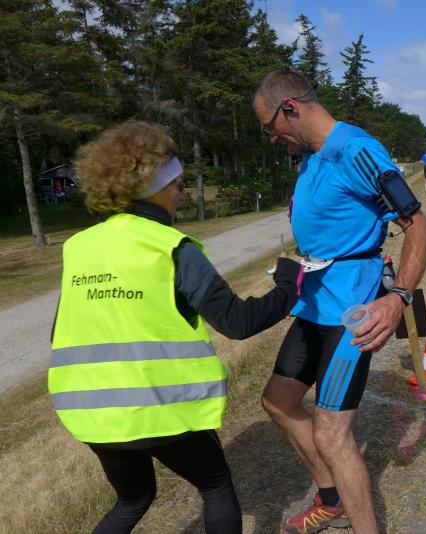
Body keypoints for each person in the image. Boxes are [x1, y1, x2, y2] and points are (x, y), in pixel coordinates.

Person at [48, 121, 303, 533]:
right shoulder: (169, 246)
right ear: (155, 188)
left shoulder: (79, 247)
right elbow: (238, 322)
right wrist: (289, 284)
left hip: (90, 413)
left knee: (133, 499)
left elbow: (62, 331)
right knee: (216, 485)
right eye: (179, 185)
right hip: (159, 406)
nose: (182, 196)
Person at [253, 70, 426, 534]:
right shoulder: (312, 157)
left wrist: (397, 299)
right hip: (313, 302)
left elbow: (419, 228)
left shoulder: (358, 150)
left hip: (350, 310)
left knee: (331, 433)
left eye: (270, 126)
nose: (271, 137)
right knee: (278, 401)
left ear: (290, 107)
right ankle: (332, 501)